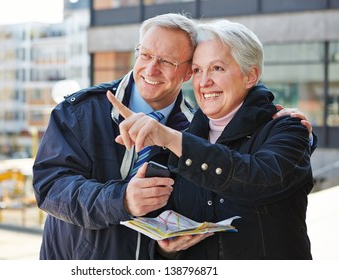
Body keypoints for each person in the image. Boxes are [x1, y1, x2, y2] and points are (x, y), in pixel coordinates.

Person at [107, 19, 316, 260]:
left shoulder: (288, 128)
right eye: (197, 70)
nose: (204, 82)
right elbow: (166, 224)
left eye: (217, 68)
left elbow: (258, 179)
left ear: (250, 76)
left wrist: (174, 140)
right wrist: (166, 248)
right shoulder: (184, 136)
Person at [32, 13, 198, 260]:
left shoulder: (195, 132)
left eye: (167, 61)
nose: (151, 68)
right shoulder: (78, 111)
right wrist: (122, 200)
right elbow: (50, 188)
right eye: (146, 55)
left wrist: (165, 248)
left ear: (188, 73)